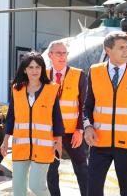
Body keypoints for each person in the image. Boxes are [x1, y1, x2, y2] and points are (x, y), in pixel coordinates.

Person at [83, 31, 127, 196]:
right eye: (121, 47)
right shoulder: (95, 72)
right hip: (100, 143)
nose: (126, 51)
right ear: (108, 50)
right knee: (93, 189)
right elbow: (87, 107)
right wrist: (88, 127)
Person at [0, 51, 64, 196]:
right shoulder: (16, 89)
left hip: (43, 147)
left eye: (37, 67)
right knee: (18, 189)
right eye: (30, 67)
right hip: (20, 146)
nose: (34, 71)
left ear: (42, 69)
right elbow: (11, 117)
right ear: (24, 69)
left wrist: (58, 141)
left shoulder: (51, 89)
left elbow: (57, 118)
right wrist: (5, 140)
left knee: (36, 186)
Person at [46, 41, 88, 196]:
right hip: (50, 134)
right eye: (58, 53)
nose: (62, 56)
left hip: (72, 133)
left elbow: (84, 105)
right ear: (50, 55)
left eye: (65, 53)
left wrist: (80, 129)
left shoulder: (79, 75)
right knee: (51, 171)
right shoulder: (42, 75)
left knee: (82, 169)